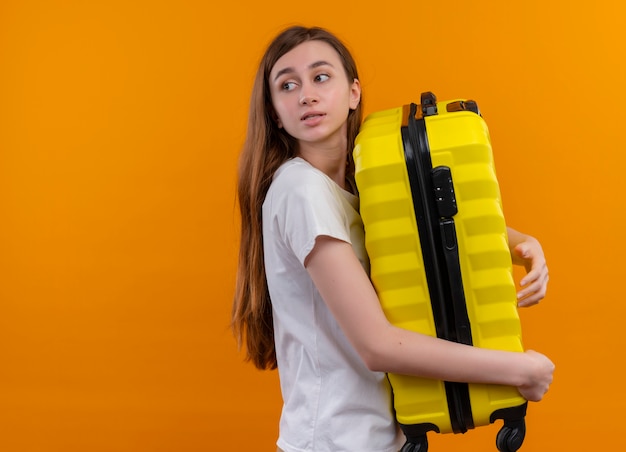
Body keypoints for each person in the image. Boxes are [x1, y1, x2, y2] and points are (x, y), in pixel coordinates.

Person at [232, 25, 554, 452]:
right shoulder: (301, 190)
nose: (306, 94)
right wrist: (517, 370)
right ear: (275, 112)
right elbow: (378, 345)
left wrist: (520, 243)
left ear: (353, 93)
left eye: (321, 77)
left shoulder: (356, 185)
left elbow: (409, 228)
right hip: (336, 442)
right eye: (287, 85)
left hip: (377, 439)